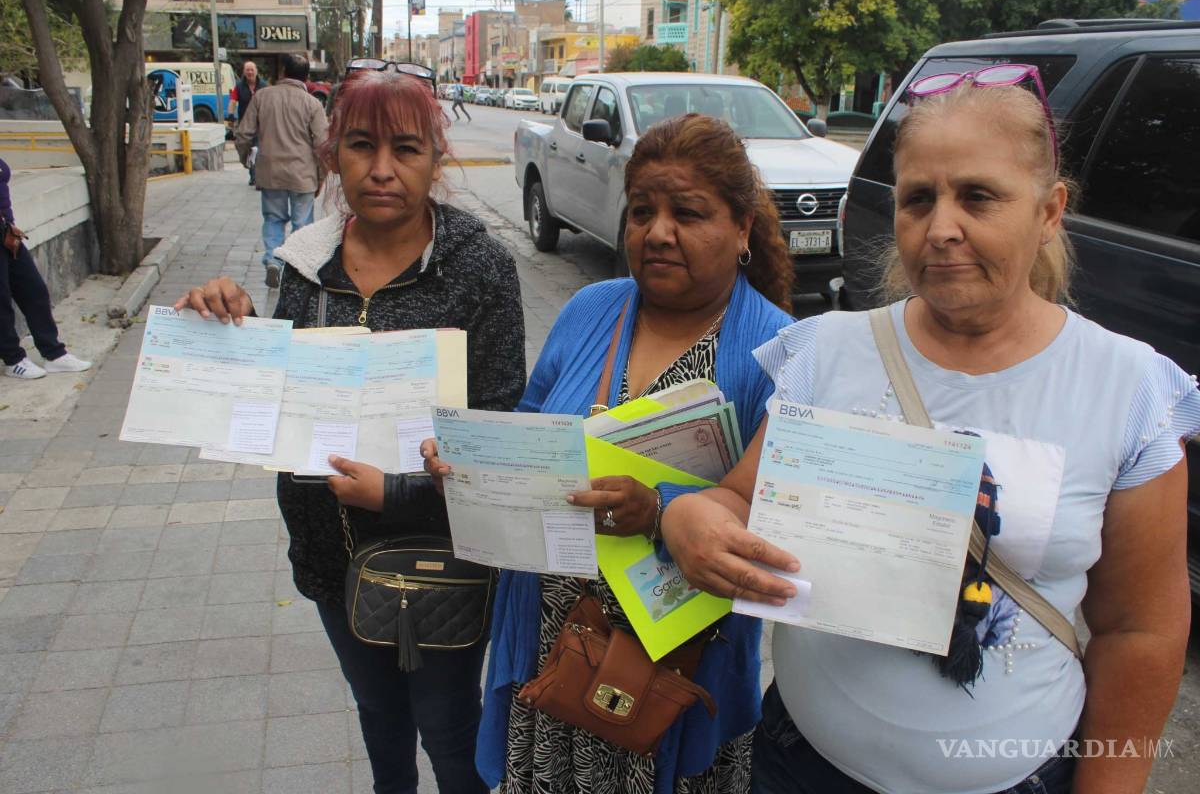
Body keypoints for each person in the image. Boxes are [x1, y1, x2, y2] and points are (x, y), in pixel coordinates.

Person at [660, 74, 1199, 794]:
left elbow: (1141, 632)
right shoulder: (827, 354)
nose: (941, 226)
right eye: (919, 198)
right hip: (802, 768)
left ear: (1049, 211)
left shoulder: (1126, 389)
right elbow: (736, 501)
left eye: (978, 195)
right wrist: (689, 516)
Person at [175, 70, 526, 794]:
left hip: (440, 562)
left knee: (450, 732)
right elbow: (280, 391)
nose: (383, 169)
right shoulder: (305, 263)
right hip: (329, 555)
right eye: (362, 146)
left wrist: (395, 495)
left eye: (406, 148)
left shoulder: (482, 269)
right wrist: (228, 324)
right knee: (378, 718)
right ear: (332, 155)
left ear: (437, 158)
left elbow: (498, 435)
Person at [423, 114, 796, 793]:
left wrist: (660, 510)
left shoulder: (781, 353)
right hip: (555, 649)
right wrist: (472, 467)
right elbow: (532, 430)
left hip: (675, 676)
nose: (657, 232)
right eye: (642, 211)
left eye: (688, 213)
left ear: (742, 228)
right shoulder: (591, 309)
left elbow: (780, 526)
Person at [235, 53, 328, 289]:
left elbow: (243, 133)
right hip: (303, 174)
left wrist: (246, 159)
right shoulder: (312, 104)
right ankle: (298, 268)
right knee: (302, 223)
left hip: (271, 172)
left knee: (273, 218)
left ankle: (274, 260)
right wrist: (322, 176)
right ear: (306, 77)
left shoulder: (263, 97)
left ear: (282, 72)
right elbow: (323, 144)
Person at [0, 156, 91, 380]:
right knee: (1, 302)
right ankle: (13, 359)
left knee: (35, 291)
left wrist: (9, 224)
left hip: (7, 233)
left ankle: (54, 354)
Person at [228, 60, 268, 186]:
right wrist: (230, 115)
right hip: (245, 124)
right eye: (247, 70)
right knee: (249, 149)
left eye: (252, 69)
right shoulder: (239, 86)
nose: (250, 72)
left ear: (256, 71)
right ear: (244, 72)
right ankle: (252, 174)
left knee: (258, 149)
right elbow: (233, 101)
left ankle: (257, 176)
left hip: (261, 123)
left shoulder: (264, 86)